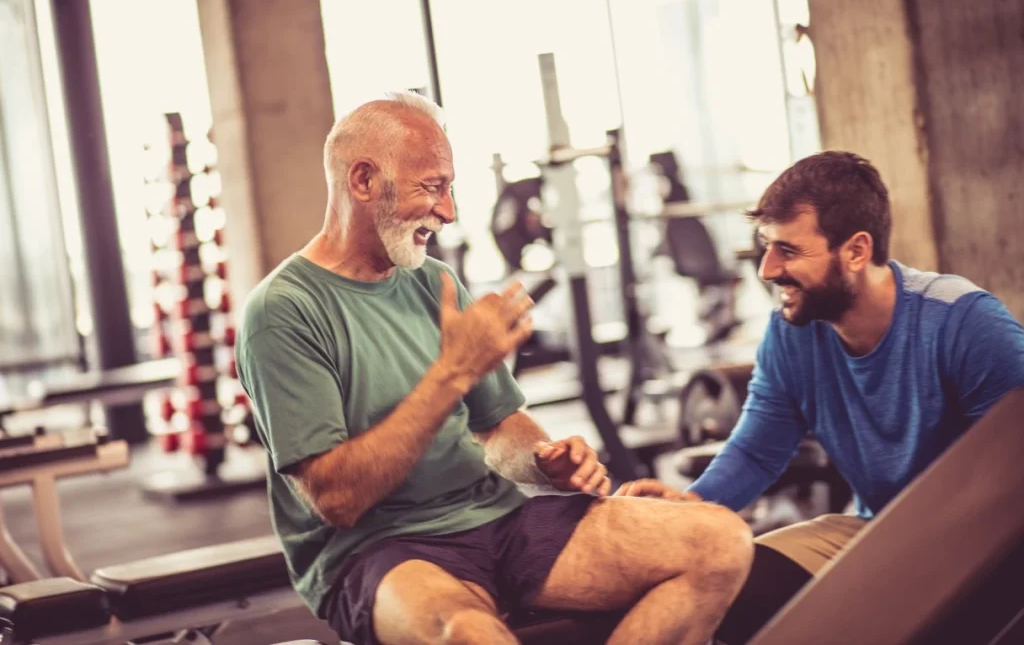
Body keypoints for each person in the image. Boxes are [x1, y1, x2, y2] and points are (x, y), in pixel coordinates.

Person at [235, 90, 754, 645]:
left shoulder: (433, 281)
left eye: (450, 188)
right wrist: (450, 374)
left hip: (498, 519)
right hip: (378, 549)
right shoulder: (283, 312)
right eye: (432, 187)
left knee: (720, 542)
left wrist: (544, 461)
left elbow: (498, 427)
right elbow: (338, 500)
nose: (449, 211)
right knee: (471, 637)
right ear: (363, 181)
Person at [615, 150, 1024, 643]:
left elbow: (1012, 476)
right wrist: (690, 504)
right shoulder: (792, 333)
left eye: (788, 250)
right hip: (878, 530)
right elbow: (756, 451)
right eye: (766, 247)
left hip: (985, 546)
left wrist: (930, 560)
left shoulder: (964, 323)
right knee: (722, 582)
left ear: (855, 251)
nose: (767, 269)